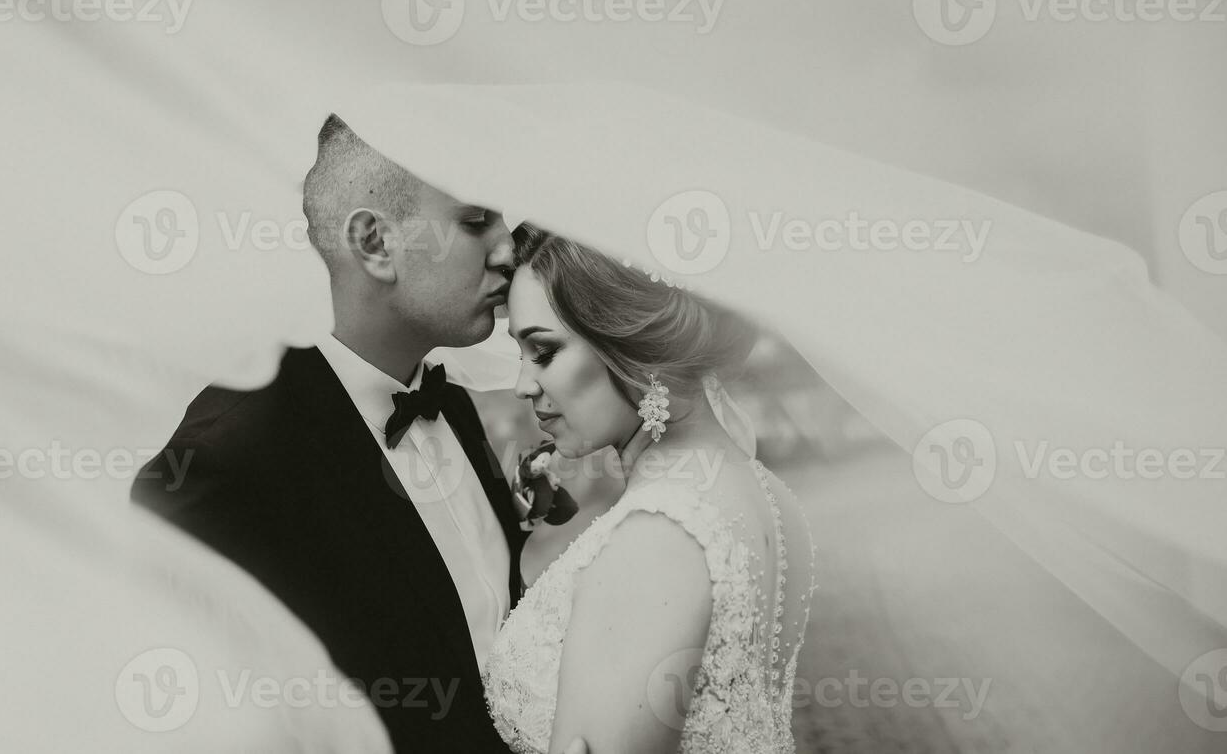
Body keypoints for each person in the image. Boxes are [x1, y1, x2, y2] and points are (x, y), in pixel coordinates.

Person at [134, 116, 587, 754]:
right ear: (375, 242)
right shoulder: (227, 463)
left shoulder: (447, 402)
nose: (508, 249)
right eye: (474, 218)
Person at [483, 222, 816, 754]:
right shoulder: (766, 495)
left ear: (634, 346)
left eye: (543, 352)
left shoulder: (658, 535)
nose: (524, 385)